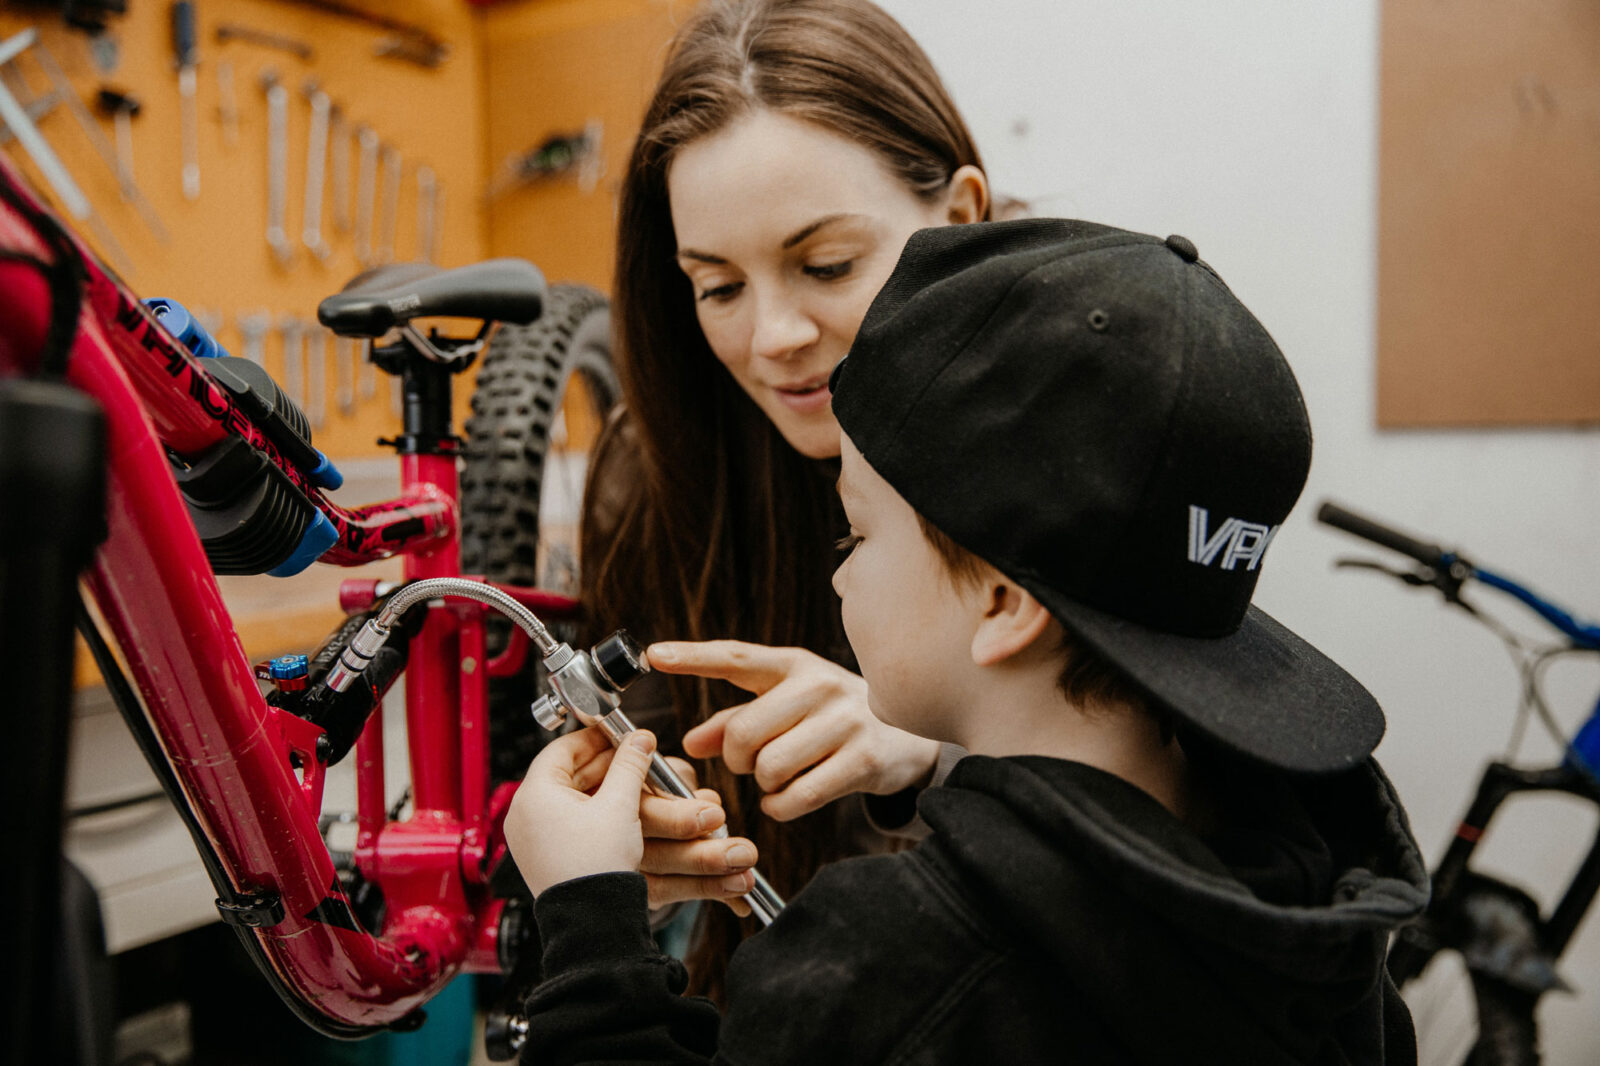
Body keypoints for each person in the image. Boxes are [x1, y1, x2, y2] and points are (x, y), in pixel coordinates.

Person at [504, 217, 1433, 1064]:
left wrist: (589, 928)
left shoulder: (895, 966)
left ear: (1002, 602)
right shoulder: (1312, 908)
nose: (839, 576)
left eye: (855, 536)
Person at [578, 0, 991, 991]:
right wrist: (620, 857)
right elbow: (620, 751)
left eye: (826, 265)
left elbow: (1177, 815)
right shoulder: (657, 465)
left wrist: (929, 754)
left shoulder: (1095, 417)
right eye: (717, 286)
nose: (771, 338)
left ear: (960, 217)